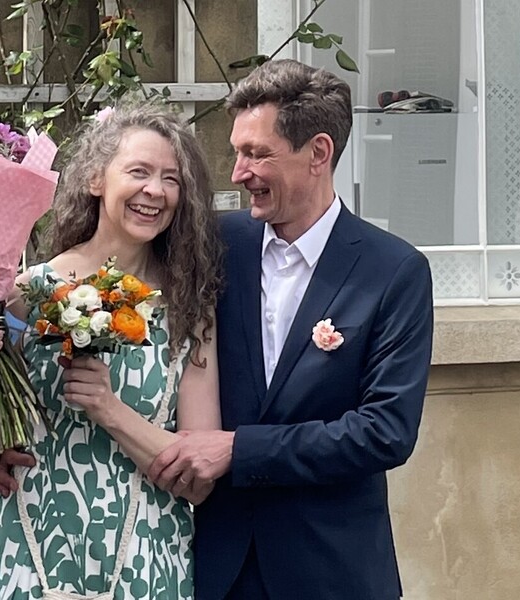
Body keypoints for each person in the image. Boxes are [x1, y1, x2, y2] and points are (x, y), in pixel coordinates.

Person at [151, 59, 435, 600]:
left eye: (257, 154)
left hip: (331, 571)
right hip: (213, 567)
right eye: (238, 152)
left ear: (318, 154)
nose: (237, 172)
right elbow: (117, 309)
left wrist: (239, 449)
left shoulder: (393, 271)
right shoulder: (212, 244)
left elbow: (385, 431)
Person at [0, 103, 225, 600]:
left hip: (144, 562)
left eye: (171, 179)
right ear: (97, 179)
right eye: (138, 172)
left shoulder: (191, 311)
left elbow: (196, 481)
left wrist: (108, 408)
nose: (155, 192)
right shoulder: (24, 294)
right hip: (27, 556)